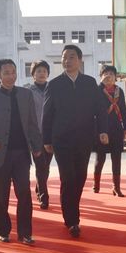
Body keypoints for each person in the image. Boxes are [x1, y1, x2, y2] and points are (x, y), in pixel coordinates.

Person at [42, 44, 108, 238]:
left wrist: (103, 130)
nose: (67, 60)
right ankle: (72, 220)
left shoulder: (89, 83)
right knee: (67, 177)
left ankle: (72, 211)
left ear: (79, 60)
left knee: (80, 177)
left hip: (84, 138)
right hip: (61, 139)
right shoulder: (54, 84)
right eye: (64, 57)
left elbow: (100, 109)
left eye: (71, 57)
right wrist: (46, 139)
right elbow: (47, 114)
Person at [0, 59, 43, 245]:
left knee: (24, 193)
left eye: (13, 72)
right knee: (1, 195)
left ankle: (25, 233)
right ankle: (3, 230)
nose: (11, 76)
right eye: (6, 73)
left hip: (22, 153)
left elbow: (32, 122)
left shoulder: (25, 94)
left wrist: (37, 146)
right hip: (0, 154)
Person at [92, 65, 126, 197]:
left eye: (111, 74)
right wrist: (101, 84)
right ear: (101, 76)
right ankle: (96, 184)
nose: (109, 76)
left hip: (116, 129)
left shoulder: (119, 91)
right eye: (105, 74)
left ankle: (116, 187)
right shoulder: (97, 90)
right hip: (102, 129)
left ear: (115, 77)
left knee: (116, 158)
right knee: (100, 158)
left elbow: (123, 110)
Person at [26, 60, 52, 209]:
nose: (42, 73)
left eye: (44, 71)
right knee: (40, 165)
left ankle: (39, 187)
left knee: (46, 166)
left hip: (50, 134)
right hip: (35, 134)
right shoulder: (28, 91)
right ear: (33, 74)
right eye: (38, 71)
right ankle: (44, 196)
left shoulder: (52, 89)